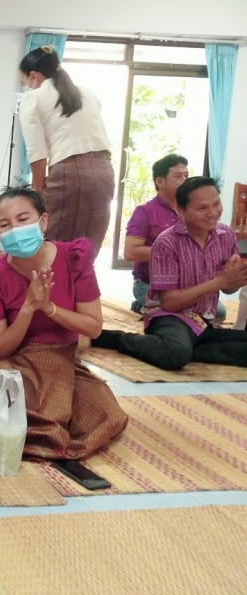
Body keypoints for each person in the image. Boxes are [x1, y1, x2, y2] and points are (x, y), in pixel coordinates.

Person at [0, 187, 127, 460]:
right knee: (39, 415)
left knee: (106, 416)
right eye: (5, 224)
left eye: (23, 219)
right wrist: (28, 309)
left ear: (43, 221)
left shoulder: (73, 258)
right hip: (18, 360)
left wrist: (50, 308)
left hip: (63, 360)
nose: (15, 230)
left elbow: (92, 327)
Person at [92, 177, 247, 370]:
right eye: (202, 208)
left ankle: (188, 349)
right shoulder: (167, 242)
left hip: (205, 320)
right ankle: (117, 339)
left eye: (216, 204)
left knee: (180, 350)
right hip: (170, 316)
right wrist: (219, 281)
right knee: (175, 354)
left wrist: (235, 278)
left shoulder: (226, 235)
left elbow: (229, 289)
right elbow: (169, 303)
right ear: (180, 210)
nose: (213, 213)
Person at [19, 45, 114, 257]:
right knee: (89, 242)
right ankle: (83, 278)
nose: (26, 87)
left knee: (54, 241)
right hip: (104, 171)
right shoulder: (87, 93)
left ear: (33, 76)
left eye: (24, 82)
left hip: (69, 172)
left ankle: (53, 279)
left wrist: (39, 194)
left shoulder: (33, 98)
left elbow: (37, 152)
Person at [125, 154, 226, 320]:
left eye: (186, 175)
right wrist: (175, 253)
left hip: (189, 285)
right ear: (160, 182)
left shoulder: (194, 209)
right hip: (149, 284)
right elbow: (130, 252)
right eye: (178, 176)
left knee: (219, 312)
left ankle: (146, 307)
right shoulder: (145, 212)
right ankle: (142, 304)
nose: (185, 180)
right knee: (177, 313)